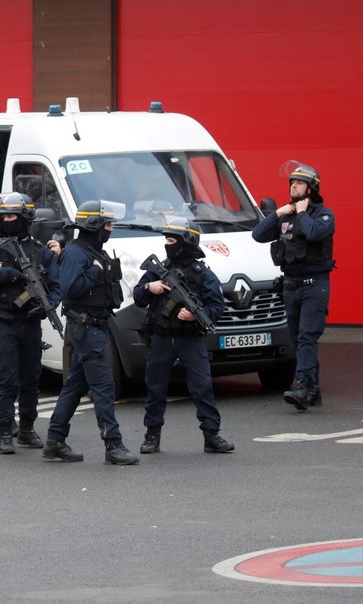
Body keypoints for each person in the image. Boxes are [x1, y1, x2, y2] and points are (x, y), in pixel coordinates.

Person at [43, 199, 138, 465]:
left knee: (75, 386)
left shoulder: (94, 252)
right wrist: (95, 273)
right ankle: (113, 444)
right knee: (104, 387)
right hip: (86, 327)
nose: (110, 229)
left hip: (95, 324)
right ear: (94, 225)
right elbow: (70, 289)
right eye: (107, 224)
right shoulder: (77, 253)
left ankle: (55, 441)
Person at [133, 217, 234, 454]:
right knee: (155, 387)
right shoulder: (159, 269)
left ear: (185, 242)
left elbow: (216, 306)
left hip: (190, 337)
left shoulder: (202, 274)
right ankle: (151, 435)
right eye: (166, 240)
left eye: (171, 240)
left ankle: (212, 434)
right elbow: (138, 296)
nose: (167, 244)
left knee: (202, 386)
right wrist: (150, 287)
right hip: (162, 337)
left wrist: (194, 316)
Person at [0, 193, 61, 454]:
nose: (7, 221)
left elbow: (56, 286)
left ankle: (27, 429)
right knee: (5, 378)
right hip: (4, 322)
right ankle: (3, 431)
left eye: (12, 216)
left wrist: (49, 305)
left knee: (31, 378)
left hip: (30, 323)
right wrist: (9, 275)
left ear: (24, 219)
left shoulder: (41, 251)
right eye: (5, 217)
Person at [252, 160, 335, 410]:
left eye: (299, 183)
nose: (293, 186)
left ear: (311, 188)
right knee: (299, 340)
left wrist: (300, 212)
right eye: (292, 183)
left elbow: (313, 234)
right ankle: (312, 390)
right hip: (290, 287)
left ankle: (301, 386)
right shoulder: (285, 215)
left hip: (314, 286)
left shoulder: (324, 215)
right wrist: (277, 213)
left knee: (308, 336)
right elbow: (257, 235)